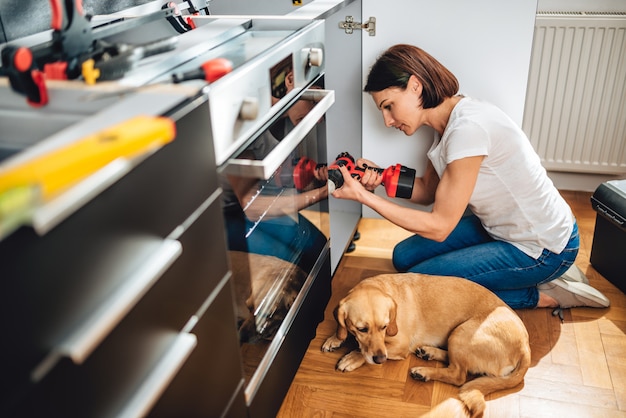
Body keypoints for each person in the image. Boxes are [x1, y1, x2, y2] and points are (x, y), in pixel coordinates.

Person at [331, 44, 609, 311]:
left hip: (544, 248)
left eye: (389, 106)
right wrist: (378, 178)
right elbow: (428, 191)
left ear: (415, 86)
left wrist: (363, 197)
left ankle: (541, 294)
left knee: (420, 286)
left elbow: (439, 227)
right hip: (500, 229)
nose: (387, 121)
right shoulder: (449, 122)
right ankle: (517, 276)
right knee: (403, 258)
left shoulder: (467, 130)